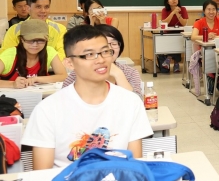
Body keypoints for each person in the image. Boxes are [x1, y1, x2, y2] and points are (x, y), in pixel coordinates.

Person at [21, 25, 153, 169]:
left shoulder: (131, 102)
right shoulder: (47, 110)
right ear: (69, 63)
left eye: (105, 52)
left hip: (119, 180)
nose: (100, 60)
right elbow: (42, 174)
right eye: (89, 54)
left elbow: (134, 166)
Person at [62, 24, 142, 98]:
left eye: (114, 44)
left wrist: (118, 74)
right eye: (105, 45)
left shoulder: (130, 72)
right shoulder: (78, 74)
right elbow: (64, 99)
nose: (110, 48)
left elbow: (138, 103)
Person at [2, 0, 66, 59]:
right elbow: (6, 56)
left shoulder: (60, 29)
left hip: (51, 66)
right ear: (28, 8)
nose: (43, 11)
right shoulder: (15, 30)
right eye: (38, 7)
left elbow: (62, 55)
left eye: (46, 7)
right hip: (21, 65)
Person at [0, 19, 66, 88]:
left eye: (40, 40)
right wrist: (12, 84)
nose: (35, 45)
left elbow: (63, 76)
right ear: (21, 39)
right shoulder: (9, 55)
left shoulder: (49, 51)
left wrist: (37, 79)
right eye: (30, 40)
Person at [159, 0, 188, 73]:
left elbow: (184, 23)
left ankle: (169, 58)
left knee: (178, 39)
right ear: (167, 1)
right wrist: (173, 12)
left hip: (180, 33)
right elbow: (165, 23)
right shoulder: (165, 10)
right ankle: (176, 63)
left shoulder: (183, 9)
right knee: (174, 40)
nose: (173, 0)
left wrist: (177, 13)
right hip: (168, 32)